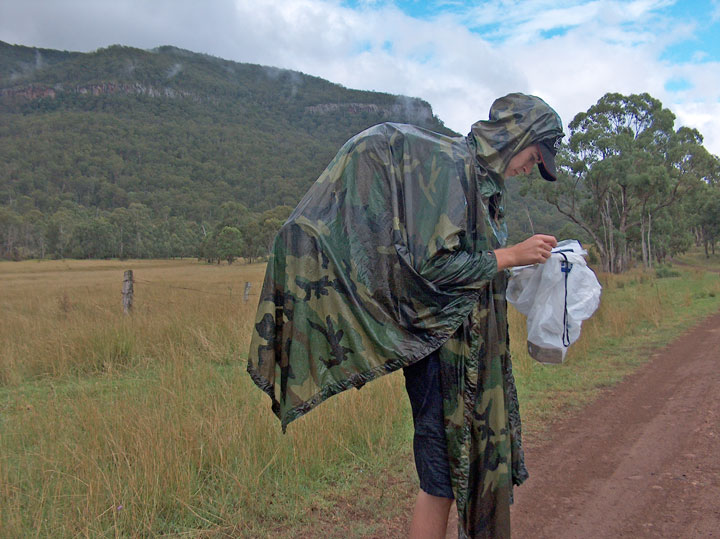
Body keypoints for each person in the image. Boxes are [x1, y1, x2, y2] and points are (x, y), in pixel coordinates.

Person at [247, 93, 564, 538]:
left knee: (451, 470)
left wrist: (523, 267)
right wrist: (511, 255)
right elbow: (435, 265)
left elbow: (474, 263)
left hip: (460, 347)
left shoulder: (482, 184)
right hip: (439, 349)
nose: (532, 167)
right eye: (535, 156)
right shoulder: (456, 171)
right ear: (516, 136)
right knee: (440, 476)